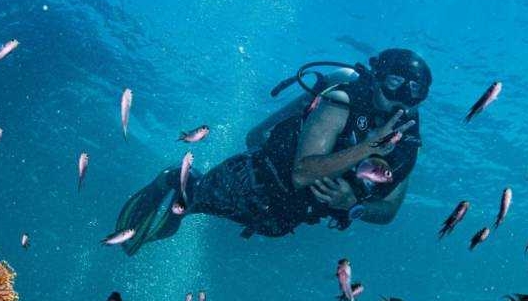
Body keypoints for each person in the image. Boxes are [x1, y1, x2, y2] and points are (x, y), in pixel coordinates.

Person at [112, 48, 429, 254]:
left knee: (200, 215)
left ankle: (179, 202)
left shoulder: (407, 139)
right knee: (191, 201)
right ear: (376, 79)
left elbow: (388, 210)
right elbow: (303, 172)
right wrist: (370, 147)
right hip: (253, 181)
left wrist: (354, 205)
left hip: (283, 218)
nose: (402, 96)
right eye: (394, 82)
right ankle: (173, 179)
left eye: (414, 91)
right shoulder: (341, 102)